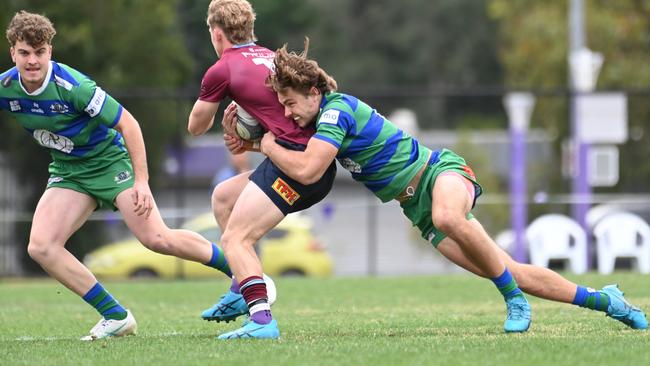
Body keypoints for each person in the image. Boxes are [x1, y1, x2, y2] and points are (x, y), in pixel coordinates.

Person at [243, 39, 648, 333]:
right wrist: (255, 135)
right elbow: (292, 155)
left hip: (439, 173)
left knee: (449, 215)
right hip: (416, 209)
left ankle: (514, 301)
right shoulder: (314, 121)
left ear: (313, 92)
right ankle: (606, 299)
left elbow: (310, 170)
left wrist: (265, 144)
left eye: (291, 103)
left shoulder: (336, 111)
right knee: (511, 270)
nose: (287, 112)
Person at [1, 11, 236, 340]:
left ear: (50, 52)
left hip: (111, 163)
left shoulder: (73, 86)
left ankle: (243, 274)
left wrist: (141, 181)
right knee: (41, 246)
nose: (32, 61)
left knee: (157, 239)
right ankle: (115, 316)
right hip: (69, 172)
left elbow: (129, 124)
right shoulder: (6, 87)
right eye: (24, 52)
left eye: (39, 52)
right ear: (12, 52)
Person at [187, 0, 336, 339]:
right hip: (312, 160)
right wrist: (251, 137)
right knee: (224, 198)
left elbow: (196, 126)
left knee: (236, 237)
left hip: (293, 166)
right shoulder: (273, 57)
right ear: (251, 29)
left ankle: (262, 319)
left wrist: (231, 115)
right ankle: (241, 288)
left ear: (217, 32)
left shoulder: (222, 68)